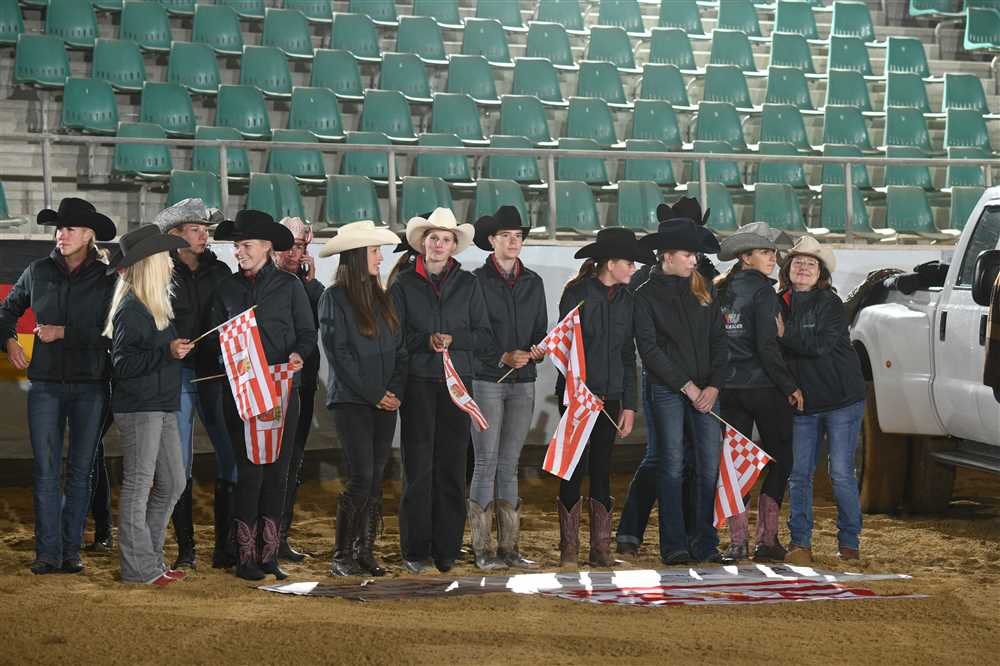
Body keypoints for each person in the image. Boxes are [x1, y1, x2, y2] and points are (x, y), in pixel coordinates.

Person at [0, 197, 117, 575]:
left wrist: (64, 332)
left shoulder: (108, 279)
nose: (60, 235)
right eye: (59, 229)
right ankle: (48, 552)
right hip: (46, 385)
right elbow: (6, 311)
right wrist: (9, 341)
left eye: (69, 229)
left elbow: (114, 332)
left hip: (92, 385)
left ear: (88, 235)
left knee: (81, 471)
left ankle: (70, 551)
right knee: (47, 471)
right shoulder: (37, 271)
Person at [208, 210, 318, 581]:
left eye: (246, 245)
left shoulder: (290, 287)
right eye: (237, 246)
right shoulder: (226, 289)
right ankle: (245, 557)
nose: (239, 252)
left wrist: (298, 354)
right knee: (249, 472)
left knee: (277, 472)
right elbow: (214, 340)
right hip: (241, 392)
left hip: (282, 389)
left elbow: (307, 333)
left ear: (267, 247)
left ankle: (268, 554)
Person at [390, 208, 495, 574]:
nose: (438, 244)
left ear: (453, 246)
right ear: (423, 243)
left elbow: (484, 335)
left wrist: (454, 339)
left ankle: (447, 548)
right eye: (433, 238)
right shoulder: (403, 284)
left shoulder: (469, 284)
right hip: (418, 383)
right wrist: (425, 340)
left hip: (457, 385)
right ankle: (415, 548)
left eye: (445, 239)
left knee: (452, 467)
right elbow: (395, 335)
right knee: (418, 468)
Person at [616, 199, 718, 556]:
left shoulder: (703, 282)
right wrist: (689, 386)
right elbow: (649, 348)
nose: (694, 256)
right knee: (668, 460)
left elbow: (717, 337)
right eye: (689, 250)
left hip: (695, 384)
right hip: (669, 385)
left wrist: (712, 384)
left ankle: (690, 537)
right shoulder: (645, 288)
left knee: (685, 462)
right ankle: (670, 539)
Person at [317, 220, 406, 577]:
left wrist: (394, 391)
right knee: (362, 475)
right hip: (353, 401)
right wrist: (376, 394)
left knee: (373, 476)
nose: (380, 257)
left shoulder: (383, 297)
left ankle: (363, 550)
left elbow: (399, 350)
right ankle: (343, 554)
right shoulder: (334, 297)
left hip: (382, 400)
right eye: (374, 251)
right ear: (356, 255)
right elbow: (339, 355)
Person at [104, 224, 192, 586]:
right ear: (151, 263)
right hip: (141, 407)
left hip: (160, 404)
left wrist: (170, 352)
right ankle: (138, 566)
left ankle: (150, 559)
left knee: (172, 483)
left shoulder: (151, 307)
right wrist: (166, 352)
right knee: (140, 485)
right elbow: (122, 364)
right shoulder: (132, 309)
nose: (170, 263)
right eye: (165, 257)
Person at [556, 228, 648, 567]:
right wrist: (576, 391)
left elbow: (627, 353)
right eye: (629, 262)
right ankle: (569, 548)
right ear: (611, 264)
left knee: (601, 467)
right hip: (578, 396)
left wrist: (629, 404)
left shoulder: (627, 300)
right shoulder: (576, 294)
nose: (634, 268)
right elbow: (565, 347)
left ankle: (599, 548)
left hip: (610, 397)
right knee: (573, 468)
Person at [152, 199, 235, 571]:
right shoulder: (160, 273)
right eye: (197, 229)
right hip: (181, 373)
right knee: (179, 463)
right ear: (176, 234)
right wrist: (167, 344)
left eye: (205, 230)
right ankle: (187, 548)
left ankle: (222, 547)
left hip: (214, 373)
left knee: (229, 456)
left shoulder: (220, 272)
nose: (205, 236)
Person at [715, 222, 803, 562]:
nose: (772, 258)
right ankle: (766, 540)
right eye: (765, 252)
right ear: (745, 257)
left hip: (729, 388)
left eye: (773, 252)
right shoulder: (764, 292)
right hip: (764, 386)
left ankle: (737, 541)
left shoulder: (721, 290)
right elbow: (767, 346)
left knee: (737, 463)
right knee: (781, 458)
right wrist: (789, 385)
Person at [776, 236, 866, 563]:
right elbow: (774, 355)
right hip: (804, 402)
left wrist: (785, 334)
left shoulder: (830, 304)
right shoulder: (777, 303)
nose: (803, 267)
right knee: (799, 473)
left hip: (841, 399)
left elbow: (820, 345)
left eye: (811, 263)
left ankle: (849, 542)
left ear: (821, 273)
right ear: (788, 269)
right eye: (798, 262)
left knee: (840, 472)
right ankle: (800, 542)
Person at [468, 206, 547, 570]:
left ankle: (509, 547)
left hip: (523, 379)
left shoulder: (533, 282)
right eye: (506, 236)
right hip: (487, 379)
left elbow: (540, 329)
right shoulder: (475, 281)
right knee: (486, 461)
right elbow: (473, 331)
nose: (513, 242)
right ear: (492, 240)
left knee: (509, 463)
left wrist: (537, 350)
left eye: (518, 236)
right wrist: (501, 356)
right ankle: (483, 549)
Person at [273, 217, 325, 562]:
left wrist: (309, 283)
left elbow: (316, 325)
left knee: (293, 461)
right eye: (289, 247)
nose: (295, 254)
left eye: (301, 247)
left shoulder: (312, 288)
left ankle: (279, 536)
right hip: (271, 383)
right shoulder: (267, 284)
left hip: (302, 384)